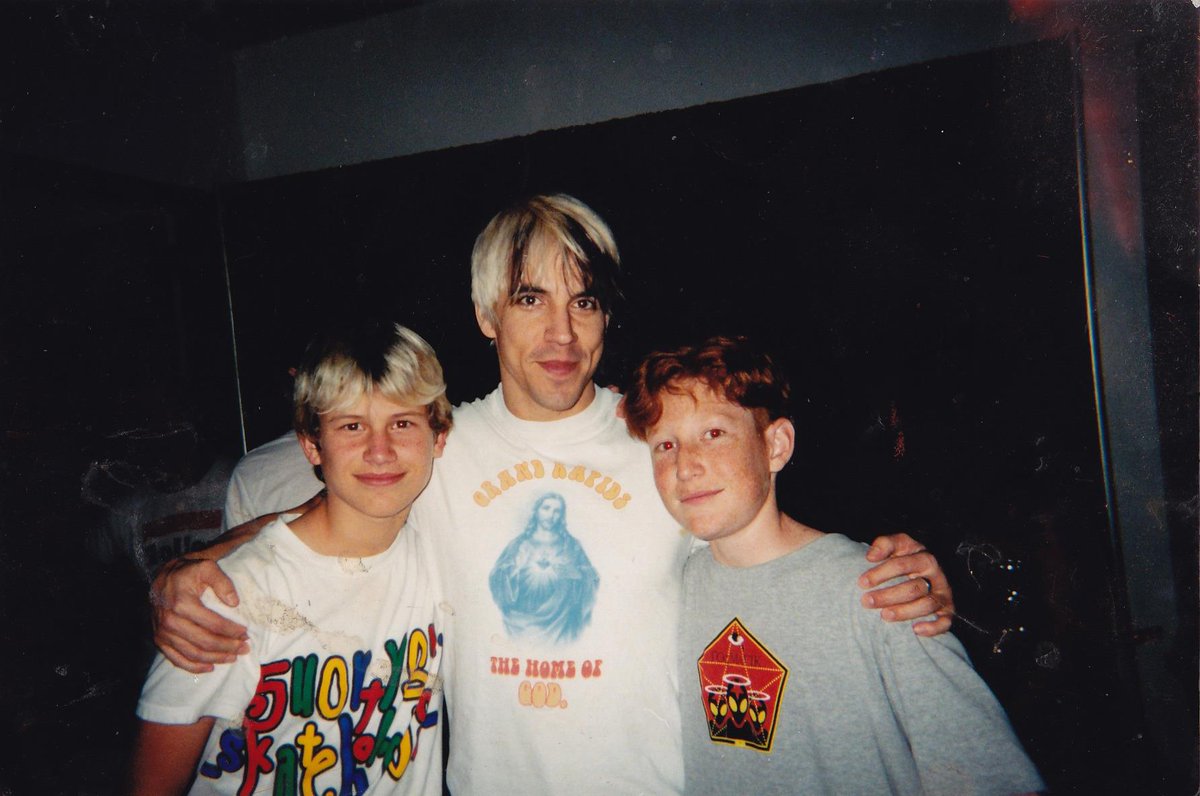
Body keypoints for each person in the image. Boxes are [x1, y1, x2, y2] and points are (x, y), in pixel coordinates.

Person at [152, 194, 955, 794]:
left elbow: (762, 533)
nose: (562, 333)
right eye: (530, 299)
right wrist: (198, 564)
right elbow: (333, 509)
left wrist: (872, 571)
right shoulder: (440, 446)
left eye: (585, 301)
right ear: (486, 315)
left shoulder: (656, 439)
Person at [623, 335, 1043, 795]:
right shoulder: (672, 587)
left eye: (714, 434)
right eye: (665, 445)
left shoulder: (878, 590)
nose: (685, 467)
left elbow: (989, 777)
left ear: (776, 446)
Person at [131, 321, 452, 794]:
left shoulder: (440, 553)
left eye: (402, 423)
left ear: (439, 436)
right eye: (352, 426)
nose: (380, 451)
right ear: (311, 445)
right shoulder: (227, 597)